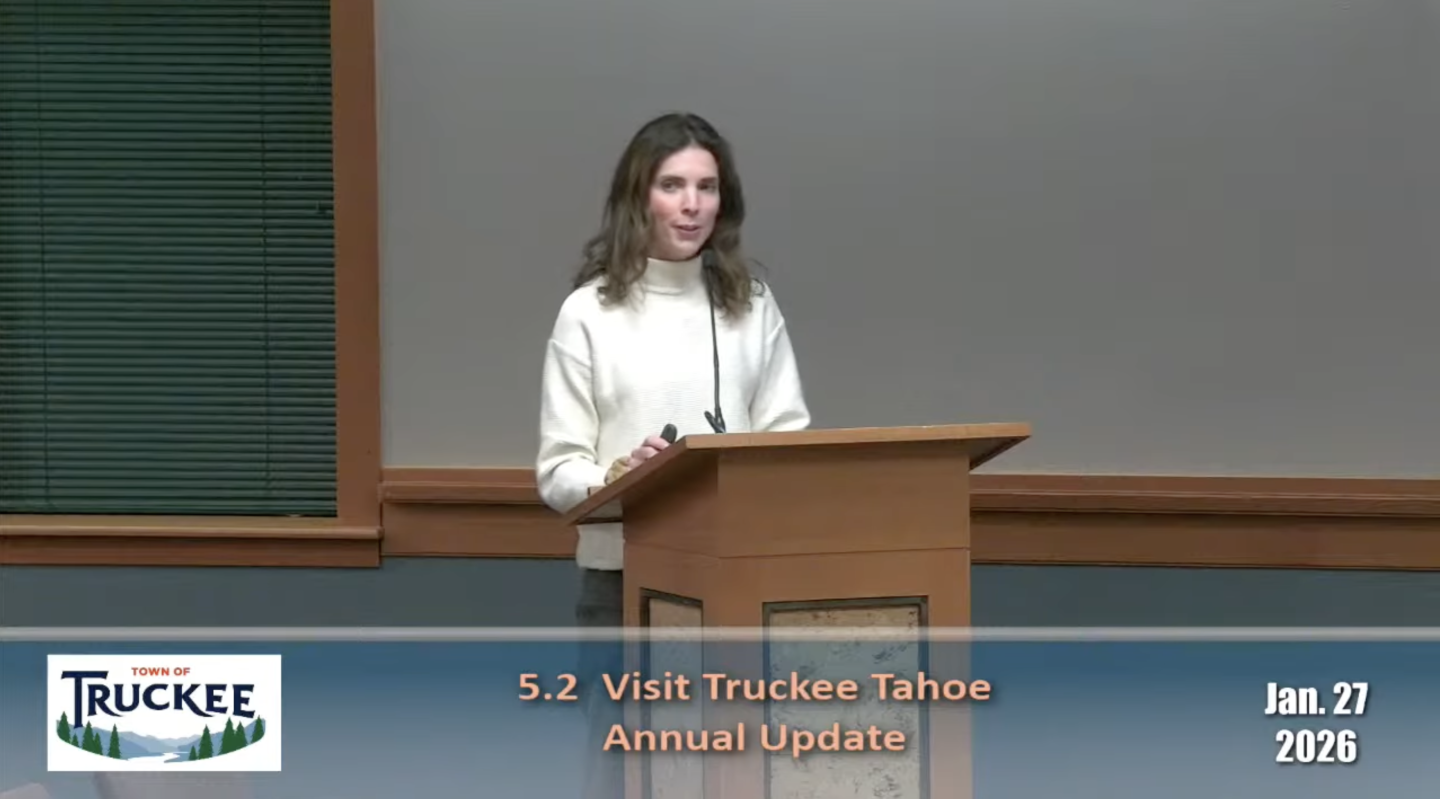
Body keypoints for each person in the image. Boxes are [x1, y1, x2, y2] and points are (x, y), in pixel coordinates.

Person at [534, 111, 811, 797]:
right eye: (672, 185)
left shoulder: (752, 304)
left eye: (707, 187)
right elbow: (558, 470)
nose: (692, 205)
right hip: (625, 580)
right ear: (639, 197)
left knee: (737, 769)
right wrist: (617, 478)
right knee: (627, 770)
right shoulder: (588, 313)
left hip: (736, 574)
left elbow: (789, 440)